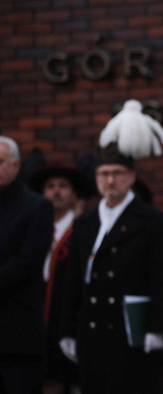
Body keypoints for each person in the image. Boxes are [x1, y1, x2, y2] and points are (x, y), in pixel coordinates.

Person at [60, 100, 163, 394]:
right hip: (92, 330)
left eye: (117, 173)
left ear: (131, 177)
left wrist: (158, 328)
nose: (110, 180)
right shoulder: (85, 222)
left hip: (131, 333)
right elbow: (72, 279)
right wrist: (66, 330)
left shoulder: (152, 221)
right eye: (104, 174)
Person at [29, 164, 95, 393]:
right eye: (50, 187)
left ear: (74, 194)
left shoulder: (82, 227)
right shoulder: (33, 225)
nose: (56, 192)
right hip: (36, 307)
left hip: (66, 306)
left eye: (63, 186)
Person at [0, 136, 54, 394]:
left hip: (17, 334)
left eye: (0, 162)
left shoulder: (36, 206)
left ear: (15, 165)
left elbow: (27, 262)